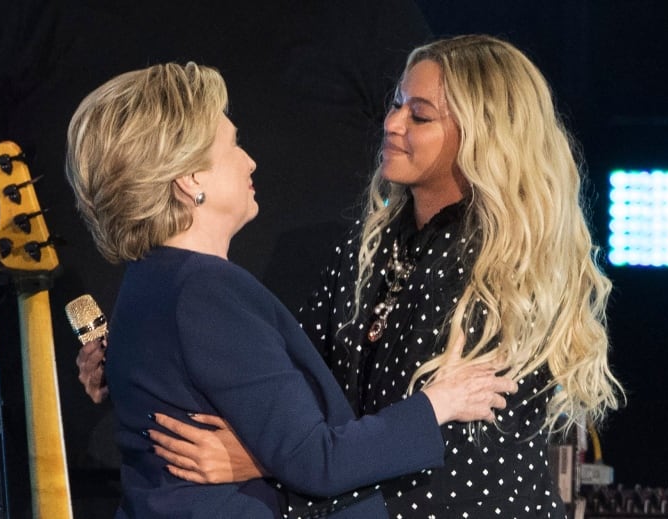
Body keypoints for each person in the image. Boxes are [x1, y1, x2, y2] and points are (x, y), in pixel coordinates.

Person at [93, 34, 623, 518]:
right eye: (396, 105)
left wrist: (264, 462)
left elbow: (451, 455)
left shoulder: (507, 265)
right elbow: (297, 388)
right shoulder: (369, 246)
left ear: (483, 136)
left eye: (420, 116)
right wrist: (149, 360)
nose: (392, 124)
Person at [0, 1, 429, 516]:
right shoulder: (208, 290)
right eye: (234, 145)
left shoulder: (150, 281)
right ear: (189, 179)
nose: (251, 159)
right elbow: (316, 457)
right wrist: (437, 408)